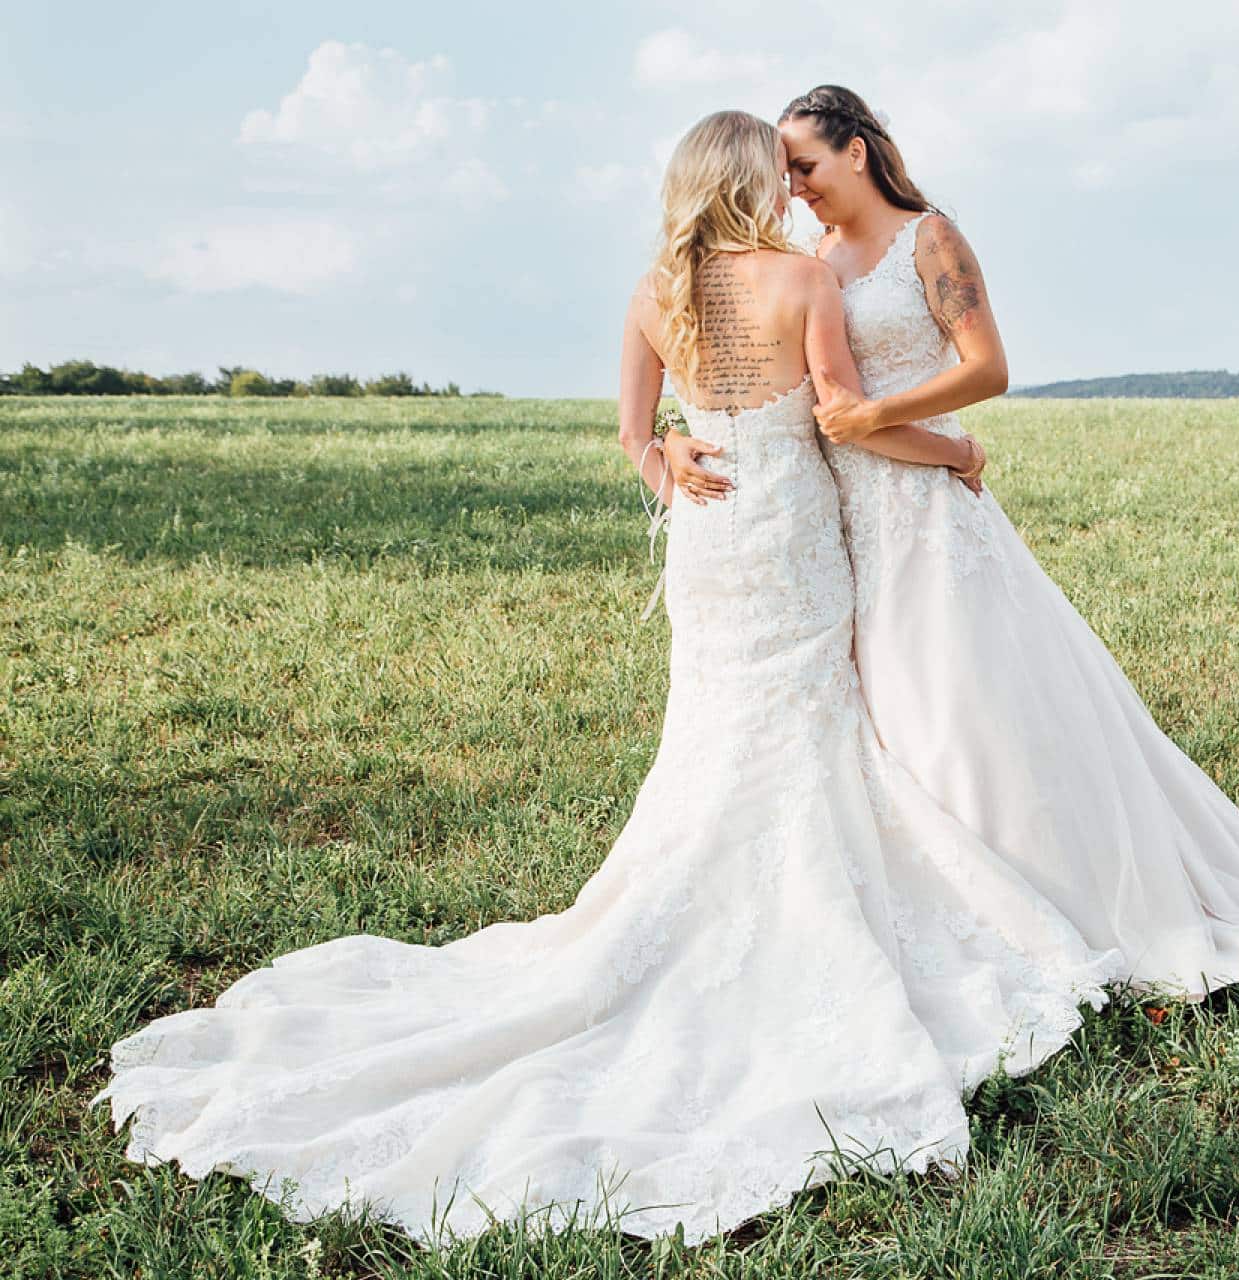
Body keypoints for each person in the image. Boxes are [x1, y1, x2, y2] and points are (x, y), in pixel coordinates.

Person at [88, 109, 1128, 1246]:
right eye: (774, 172)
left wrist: (674, 458)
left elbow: (637, 440)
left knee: (717, 734)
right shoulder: (801, 286)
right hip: (787, 539)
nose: (790, 188)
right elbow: (840, 427)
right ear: (743, 182)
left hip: (708, 547)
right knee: (809, 723)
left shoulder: (652, 294)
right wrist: (958, 450)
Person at [665, 85, 1239, 1000]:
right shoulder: (811, 258)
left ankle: (1057, 895)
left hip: (927, 510)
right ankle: (937, 892)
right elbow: (766, 378)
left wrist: (888, 420)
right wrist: (680, 439)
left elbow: (989, 369)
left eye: (804, 164)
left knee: (964, 702)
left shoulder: (928, 238)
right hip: (844, 514)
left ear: (857, 151)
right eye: (784, 171)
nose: (794, 184)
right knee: (892, 713)